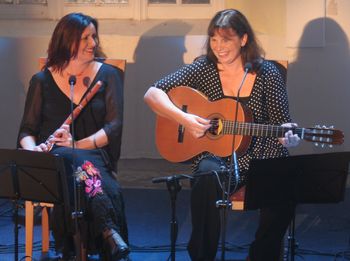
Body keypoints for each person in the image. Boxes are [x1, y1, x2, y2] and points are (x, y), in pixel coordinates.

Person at [144, 9, 300, 261]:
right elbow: (152, 93)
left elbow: (282, 125)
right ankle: (202, 256)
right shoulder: (203, 68)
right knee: (205, 176)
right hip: (217, 157)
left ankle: (261, 255)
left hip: (261, 154)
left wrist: (288, 137)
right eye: (214, 39)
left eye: (226, 39)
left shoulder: (267, 73)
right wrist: (184, 119)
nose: (218, 47)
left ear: (243, 39)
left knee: (282, 186)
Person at [17, 13, 129, 261]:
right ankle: (108, 230)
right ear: (67, 41)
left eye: (93, 36)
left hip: (94, 155)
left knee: (76, 160)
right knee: (67, 157)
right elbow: (27, 131)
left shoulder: (108, 75)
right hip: (56, 160)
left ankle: (74, 249)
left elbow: (114, 127)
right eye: (85, 38)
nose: (93, 42)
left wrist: (77, 144)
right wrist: (32, 150)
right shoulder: (42, 80)